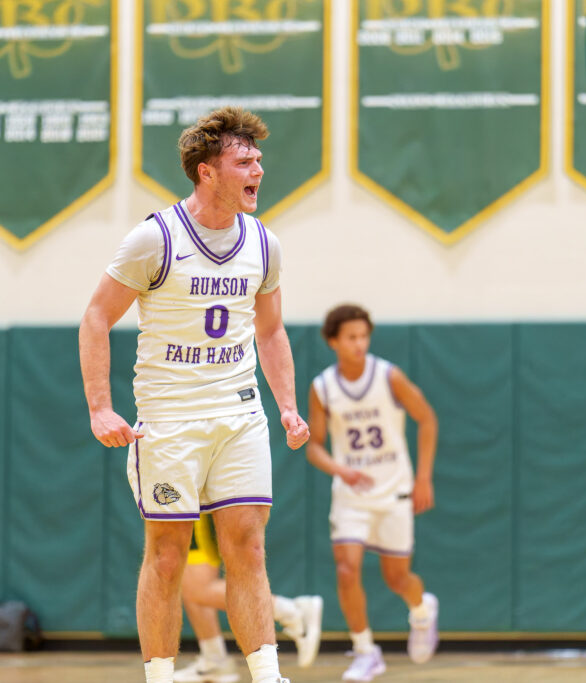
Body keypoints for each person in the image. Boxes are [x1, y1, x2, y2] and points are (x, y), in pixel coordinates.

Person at [79, 107, 309, 683]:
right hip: (170, 418)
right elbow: (95, 318)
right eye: (244, 160)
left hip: (238, 412)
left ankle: (266, 675)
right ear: (207, 172)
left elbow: (271, 330)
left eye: (258, 158)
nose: (258, 168)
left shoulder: (263, 242)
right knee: (167, 557)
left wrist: (286, 405)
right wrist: (100, 407)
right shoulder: (153, 238)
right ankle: (160, 677)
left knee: (248, 549)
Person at [305, 304, 439, 682]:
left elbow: (427, 417)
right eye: (351, 337)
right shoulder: (323, 387)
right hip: (351, 494)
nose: (359, 344)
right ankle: (365, 651)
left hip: (394, 488)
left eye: (364, 336)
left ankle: (422, 609)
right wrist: (340, 469)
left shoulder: (388, 376)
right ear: (333, 341)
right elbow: (314, 445)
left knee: (398, 579)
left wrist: (424, 478)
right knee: (347, 570)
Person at [175, 513, 323, 682]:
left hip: (195, 505)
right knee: (188, 581)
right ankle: (214, 659)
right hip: (186, 504)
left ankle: (291, 611)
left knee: (197, 588)